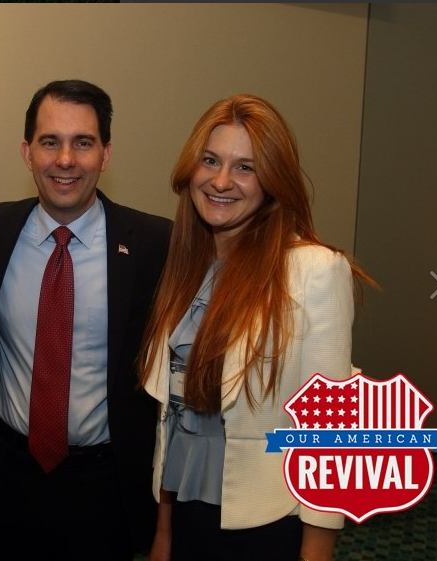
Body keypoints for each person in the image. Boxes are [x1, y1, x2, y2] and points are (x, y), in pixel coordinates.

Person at [137, 94, 376, 561]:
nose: (221, 181)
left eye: (245, 167)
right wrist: (164, 531)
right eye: (210, 160)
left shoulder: (313, 270)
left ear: (272, 181)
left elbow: (331, 432)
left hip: (265, 520)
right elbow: (173, 418)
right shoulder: (187, 265)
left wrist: (317, 553)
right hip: (186, 510)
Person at [0, 79, 172, 560]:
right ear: (26, 152)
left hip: (103, 486)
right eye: (49, 142)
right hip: (6, 477)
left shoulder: (152, 244)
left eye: (82, 142)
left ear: (106, 154)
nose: (65, 160)